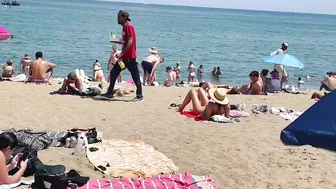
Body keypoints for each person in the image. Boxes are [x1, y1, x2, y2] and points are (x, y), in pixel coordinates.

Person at [105, 10, 143, 102]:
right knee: (114, 73)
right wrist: (115, 40)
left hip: (130, 58)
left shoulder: (129, 26)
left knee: (135, 76)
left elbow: (130, 41)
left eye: (119, 17)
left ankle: (140, 96)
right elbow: (125, 41)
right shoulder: (124, 28)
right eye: (117, 17)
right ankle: (109, 93)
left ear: (124, 17)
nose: (117, 19)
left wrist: (121, 53)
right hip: (124, 58)